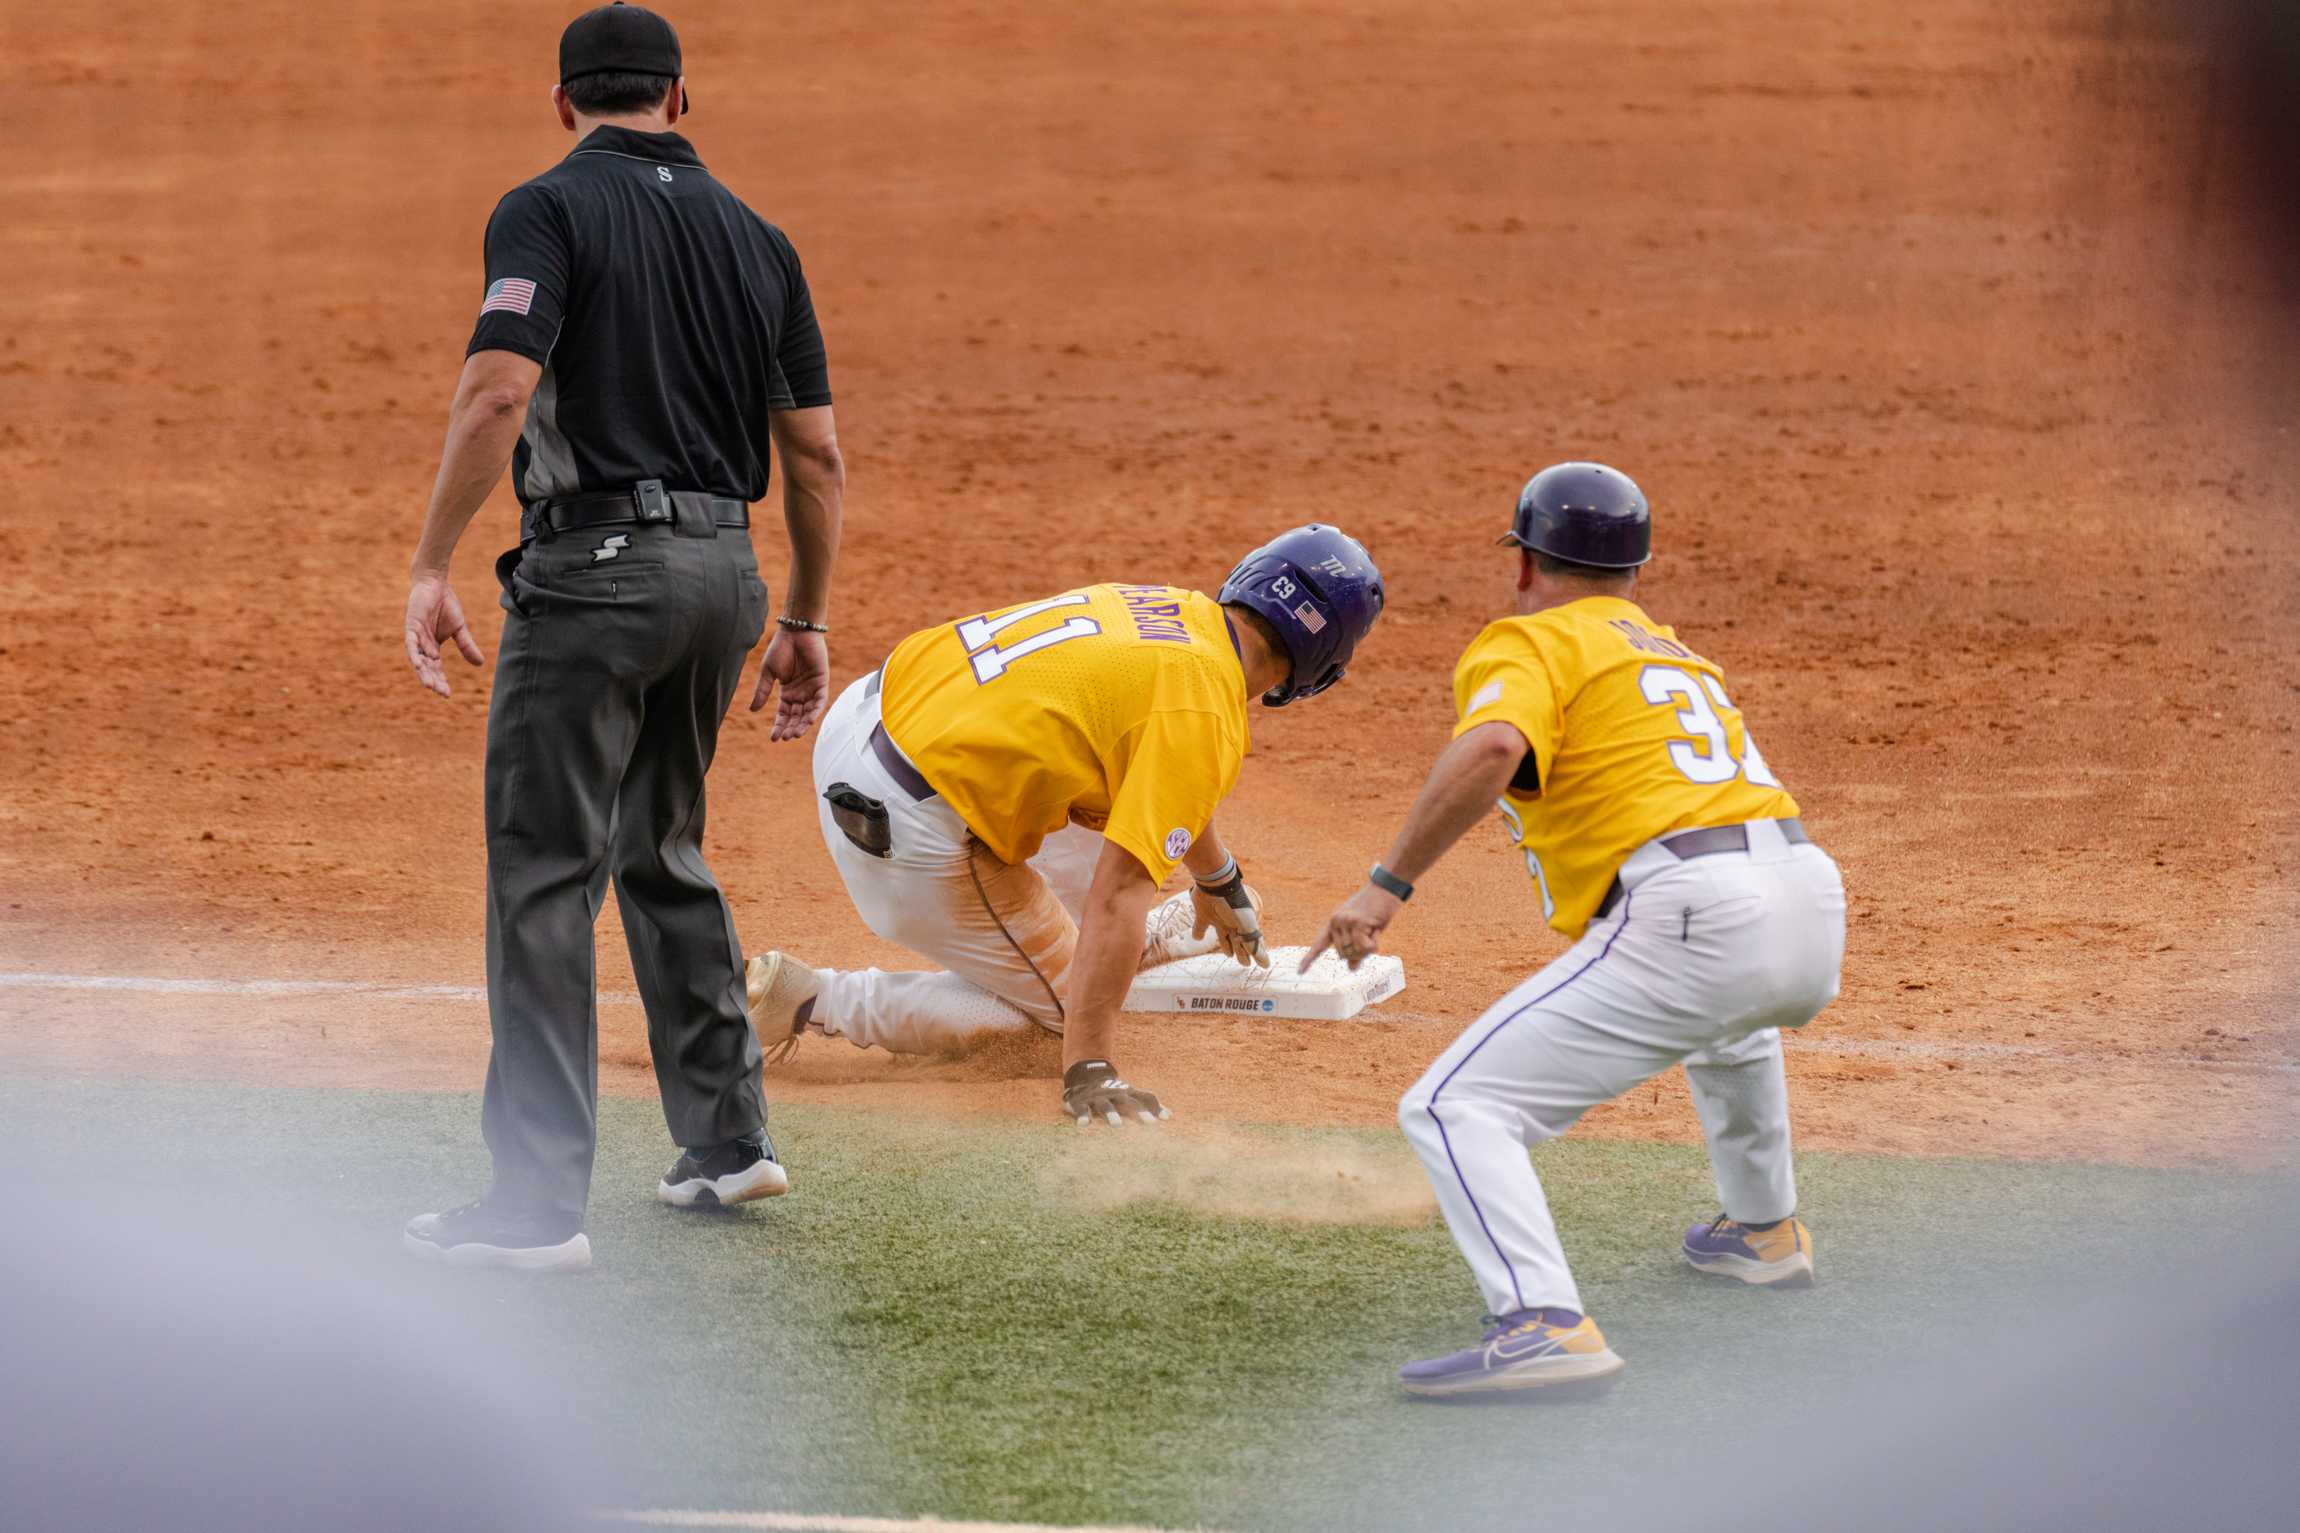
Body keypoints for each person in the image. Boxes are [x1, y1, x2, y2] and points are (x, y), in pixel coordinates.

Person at [398, 4, 846, 1271]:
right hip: (724, 577)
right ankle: (727, 1145)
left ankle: (535, 1209)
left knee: (545, 872)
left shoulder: (544, 208)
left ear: (564, 104)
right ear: (680, 99)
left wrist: (432, 561)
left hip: (593, 579)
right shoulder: (761, 240)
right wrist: (804, 614)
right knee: (661, 843)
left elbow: (498, 387)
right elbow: (811, 449)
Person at [1306, 463, 1846, 1395]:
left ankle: (1541, 1322)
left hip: (1694, 909)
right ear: (1635, 573)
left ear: (1524, 564)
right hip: (1807, 893)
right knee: (1732, 1024)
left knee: (1453, 1106)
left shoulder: (1531, 640)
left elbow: (1492, 746)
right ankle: (1763, 1230)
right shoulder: (1674, 654)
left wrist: (1385, 886)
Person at [745, 526, 1384, 1125]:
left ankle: (1121, 943)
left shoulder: (1172, 609)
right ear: (1322, 664)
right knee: (1056, 1013)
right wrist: (1090, 1068)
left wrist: (1218, 880)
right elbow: (1119, 890)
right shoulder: (1206, 711)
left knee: (1099, 773)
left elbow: (1162, 768)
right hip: (908, 828)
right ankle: (811, 1000)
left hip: (871, 720)